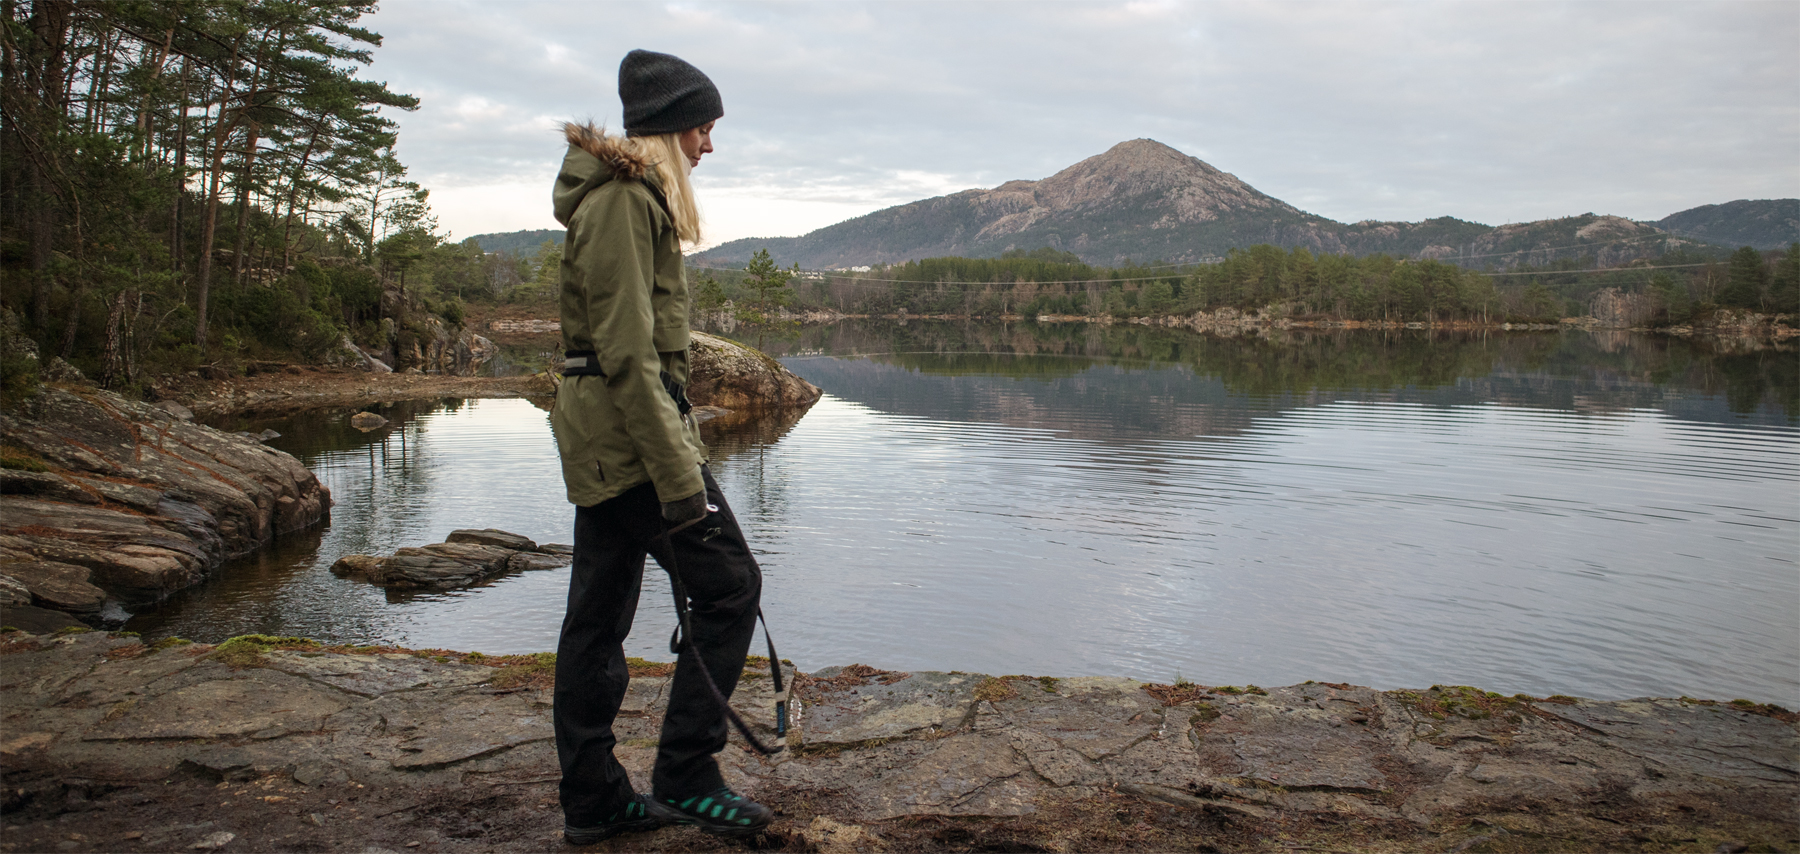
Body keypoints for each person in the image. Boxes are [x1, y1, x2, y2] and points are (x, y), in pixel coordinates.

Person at [548, 49, 770, 845]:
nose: (709, 144)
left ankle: (595, 800)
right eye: (702, 128)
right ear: (671, 129)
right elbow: (628, 353)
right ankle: (686, 774)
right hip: (629, 441)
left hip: (613, 436)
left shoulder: (630, 198)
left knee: (598, 613)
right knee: (730, 586)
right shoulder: (621, 201)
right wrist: (681, 477)